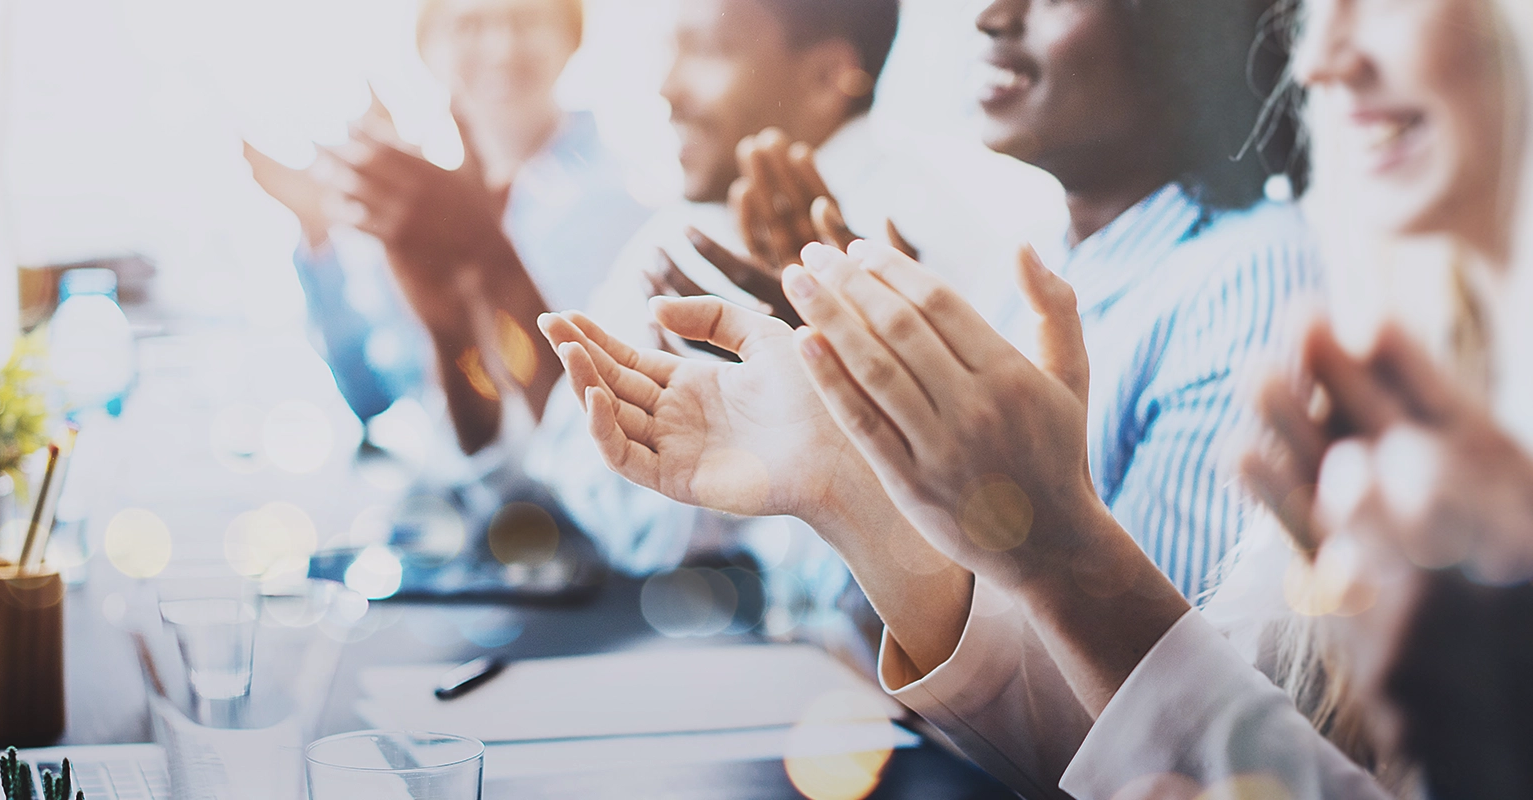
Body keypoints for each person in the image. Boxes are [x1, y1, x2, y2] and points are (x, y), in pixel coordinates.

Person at [542, 0, 1527, 795]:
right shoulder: (1048, 271)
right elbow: (1173, 727)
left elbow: (1167, 728)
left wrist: (1049, 541)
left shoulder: (1254, 280)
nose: (989, 13)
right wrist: (848, 479)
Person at [521, 0, 1036, 607]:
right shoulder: (686, 224)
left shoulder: (916, 245)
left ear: (825, 78)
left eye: (707, 53)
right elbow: (568, 467)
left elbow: (953, 573)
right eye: (669, 51)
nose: (666, 89)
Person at [245, 0, 649, 450]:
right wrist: (317, 230)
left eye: (528, 20)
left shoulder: (619, 204)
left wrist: (484, 255)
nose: (501, 48)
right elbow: (376, 394)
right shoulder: (423, 204)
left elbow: (575, 425)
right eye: (468, 24)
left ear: (572, 36)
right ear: (426, 47)